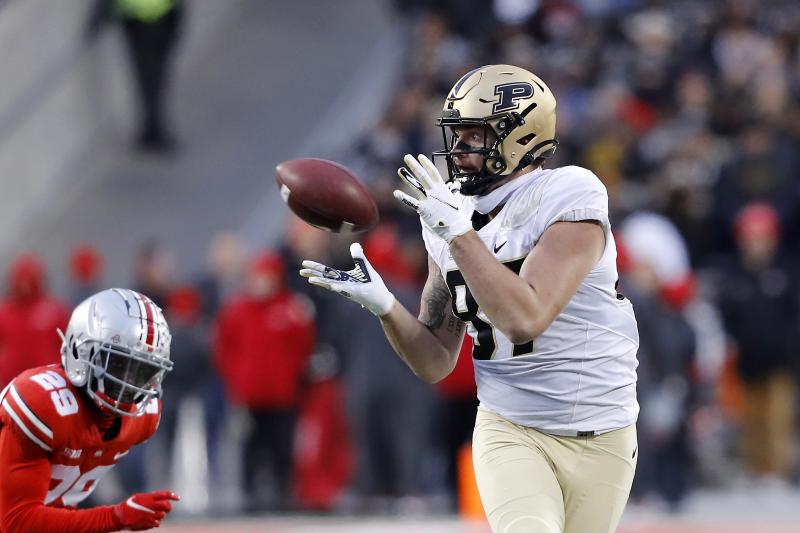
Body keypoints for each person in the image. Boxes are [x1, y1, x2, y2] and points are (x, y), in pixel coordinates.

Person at [301, 64, 639, 533]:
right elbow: (436, 359)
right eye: (456, 135)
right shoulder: (449, 213)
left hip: (603, 429)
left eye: (474, 137)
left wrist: (460, 234)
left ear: (519, 137)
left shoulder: (569, 193)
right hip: (511, 427)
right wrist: (385, 306)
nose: (458, 150)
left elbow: (526, 316)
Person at [0, 288, 179, 532]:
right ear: (80, 350)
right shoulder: (42, 403)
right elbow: (16, 522)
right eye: (117, 364)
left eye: (142, 372)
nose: (129, 384)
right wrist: (116, 516)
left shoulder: (143, 417)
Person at [214, 252, 315, 512]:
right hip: (250, 396)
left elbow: (303, 347)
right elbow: (224, 349)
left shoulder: (291, 308)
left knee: (282, 446)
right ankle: (249, 495)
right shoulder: (236, 310)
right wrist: (235, 381)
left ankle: (284, 493)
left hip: (282, 394)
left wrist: (291, 375)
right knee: (251, 447)